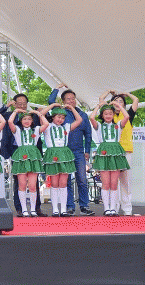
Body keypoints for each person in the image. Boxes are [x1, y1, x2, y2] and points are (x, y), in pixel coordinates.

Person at [0, 94, 47, 217]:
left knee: (34, 182)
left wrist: (38, 113)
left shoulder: (33, 117)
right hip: (16, 151)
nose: (22, 105)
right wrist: (9, 108)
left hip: (33, 153)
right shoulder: (10, 116)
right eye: (19, 103)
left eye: (24, 103)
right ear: (14, 104)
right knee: (19, 181)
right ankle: (20, 209)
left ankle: (36, 208)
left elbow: (45, 124)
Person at [48, 85, 94, 215]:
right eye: (68, 99)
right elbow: (51, 101)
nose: (71, 101)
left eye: (73, 98)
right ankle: (69, 206)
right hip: (64, 152)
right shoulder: (60, 113)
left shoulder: (82, 115)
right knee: (66, 180)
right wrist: (57, 88)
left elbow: (88, 134)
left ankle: (84, 206)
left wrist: (87, 151)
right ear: (63, 101)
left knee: (82, 179)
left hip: (79, 151)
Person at [40, 103, 83, 217]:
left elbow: (79, 120)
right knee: (54, 183)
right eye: (58, 117)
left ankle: (63, 209)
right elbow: (41, 114)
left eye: (63, 118)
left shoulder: (66, 127)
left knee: (63, 183)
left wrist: (72, 108)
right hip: (52, 154)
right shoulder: (47, 126)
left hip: (64, 154)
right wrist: (53, 105)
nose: (60, 119)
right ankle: (55, 209)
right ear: (53, 117)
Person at [89, 101, 131, 216]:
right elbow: (91, 117)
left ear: (113, 115)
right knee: (106, 183)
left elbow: (127, 116)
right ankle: (106, 208)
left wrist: (119, 106)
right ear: (102, 115)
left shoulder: (118, 125)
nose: (108, 116)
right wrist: (99, 105)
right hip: (104, 154)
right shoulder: (99, 126)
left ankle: (113, 209)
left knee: (114, 183)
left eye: (110, 113)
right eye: (106, 114)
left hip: (116, 154)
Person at [103, 91, 139, 216]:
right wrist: (109, 93)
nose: (118, 103)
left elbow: (136, 100)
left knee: (125, 181)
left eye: (121, 101)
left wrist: (126, 93)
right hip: (112, 153)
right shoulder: (109, 116)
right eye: (116, 101)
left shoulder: (128, 115)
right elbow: (101, 101)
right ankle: (114, 207)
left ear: (124, 104)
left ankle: (127, 208)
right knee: (113, 181)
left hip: (126, 151)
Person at [7, 108, 49, 217]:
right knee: (22, 184)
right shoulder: (17, 130)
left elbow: (46, 124)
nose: (27, 121)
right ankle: (24, 209)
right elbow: (10, 122)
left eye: (29, 119)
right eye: (24, 119)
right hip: (21, 156)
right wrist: (16, 111)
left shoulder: (36, 129)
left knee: (32, 185)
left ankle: (33, 210)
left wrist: (38, 113)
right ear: (21, 121)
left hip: (33, 156)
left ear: (32, 121)